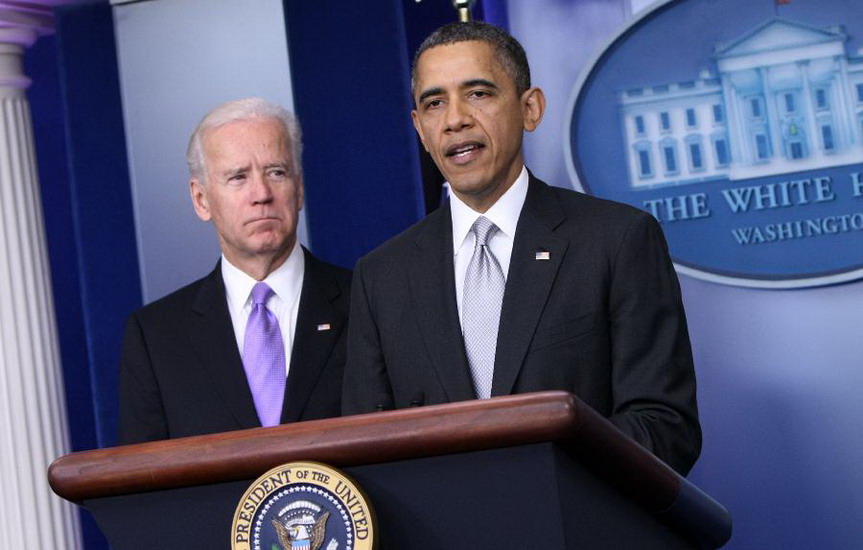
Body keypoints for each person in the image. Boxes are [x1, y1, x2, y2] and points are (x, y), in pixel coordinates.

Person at [341, 22, 701, 475]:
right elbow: (365, 449)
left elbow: (665, 427)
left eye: (478, 94)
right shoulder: (381, 276)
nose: (455, 120)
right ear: (419, 127)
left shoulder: (617, 239)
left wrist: (534, 474)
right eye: (434, 103)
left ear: (530, 108)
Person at [118, 98, 351, 444]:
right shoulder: (155, 338)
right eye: (238, 177)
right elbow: (142, 485)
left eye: (276, 172)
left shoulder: (365, 301)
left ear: (299, 189)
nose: (261, 194)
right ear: (201, 200)